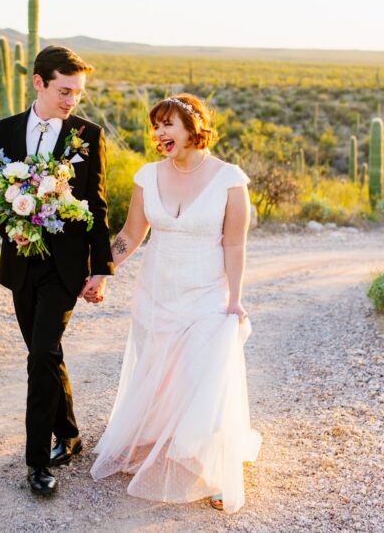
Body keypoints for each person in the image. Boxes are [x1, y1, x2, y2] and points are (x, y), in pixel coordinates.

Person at [90, 93, 261, 513]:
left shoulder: (229, 179)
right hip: (157, 291)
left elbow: (234, 244)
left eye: (168, 124)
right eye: (157, 126)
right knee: (163, 371)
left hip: (207, 293)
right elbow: (131, 235)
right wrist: (99, 270)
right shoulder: (148, 176)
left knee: (205, 376)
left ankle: (217, 468)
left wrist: (235, 299)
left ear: (192, 126)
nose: (160, 133)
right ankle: (164, 436)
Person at [0, 46, 113, 497]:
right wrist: (12, 227)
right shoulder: (3, 131)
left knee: (39, 357)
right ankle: (71, 432)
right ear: (38, 82)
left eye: (77, 93)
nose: (71, 101)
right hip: (21, 266)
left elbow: (96, 205)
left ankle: (37, 463)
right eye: (64, 90)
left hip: (64, 268)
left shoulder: (86, 134)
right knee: (47, 354)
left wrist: (100, 270)